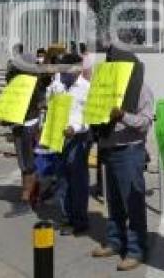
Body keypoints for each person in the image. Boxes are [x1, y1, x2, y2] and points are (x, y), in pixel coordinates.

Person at [91, 46, 154, 272]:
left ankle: (136, 249)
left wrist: (122, 116)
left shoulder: (141, 89)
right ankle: (115, 240)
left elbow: (146, 121)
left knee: (132, 202)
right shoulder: (106, 86)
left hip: (129, 150)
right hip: (109, 148)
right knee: (114, 202)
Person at [48, 53, 92, 235]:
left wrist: (75, 128)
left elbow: (90, 117)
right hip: (59, 137)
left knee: (78, 181)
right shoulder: (58, 86)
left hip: (78, 139)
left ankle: (80, 220)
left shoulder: (86, 88)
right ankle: (67, 217)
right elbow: (50, 103)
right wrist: (56, 84)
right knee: (62, 179)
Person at [5, 47, 51, 218]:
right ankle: (34, 194)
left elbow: (41, 102)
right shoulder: (19, 80)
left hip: (29, 125)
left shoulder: (34, 82)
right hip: (21, 124)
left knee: (28, 165)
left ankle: (26, 199)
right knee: (26, 163)